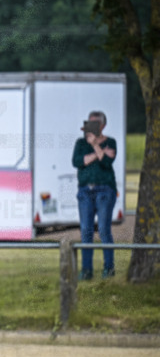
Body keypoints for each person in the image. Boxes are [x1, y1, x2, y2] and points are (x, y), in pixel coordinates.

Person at [72, 111, 118, 280]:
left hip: (105, 190)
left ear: (102, 125)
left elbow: (106, 162)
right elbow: (77, 162)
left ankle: (108, 268)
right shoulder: (80, 143)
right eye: (89, 123)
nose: (91, 126)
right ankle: (86, 270)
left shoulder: (111, 142)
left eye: (95, 123)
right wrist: (98, 153)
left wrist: (97, 146)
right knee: (86, 230)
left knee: (104, 230)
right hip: (85, 191)